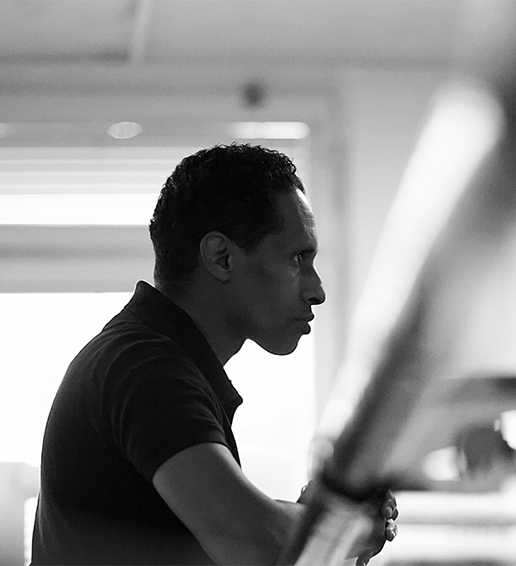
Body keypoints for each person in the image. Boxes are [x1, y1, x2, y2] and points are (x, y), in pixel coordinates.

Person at [31, 144, 397, 565]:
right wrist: (346, 523)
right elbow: (257, 544)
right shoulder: (148, 368)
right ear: (221, 257)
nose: (317, 291)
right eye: (299, 258)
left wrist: (310, 516)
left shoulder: (151, 360)